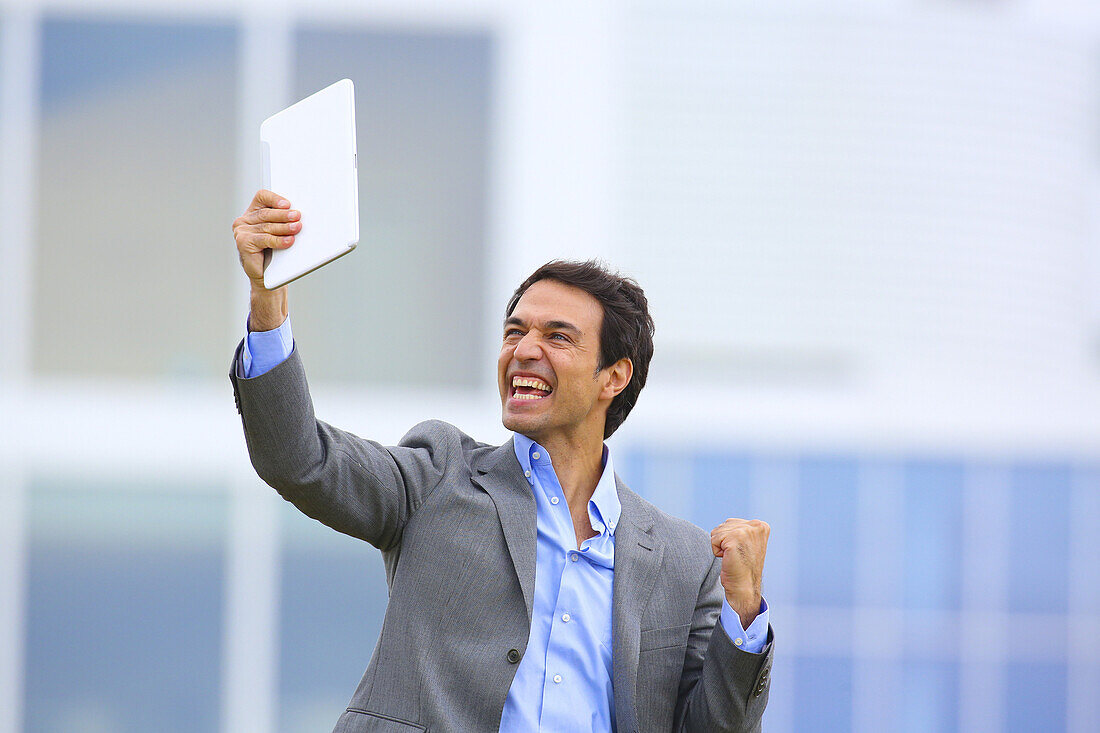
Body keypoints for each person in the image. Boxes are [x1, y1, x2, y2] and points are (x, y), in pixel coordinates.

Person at [229, 190, 774, 732]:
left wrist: (744, 607)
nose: (524, 349)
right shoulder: (439, 475)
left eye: (558, 337)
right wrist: (267, 300)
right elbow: (300, 459)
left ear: (614, 376)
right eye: (515, 332)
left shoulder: (684, 560)